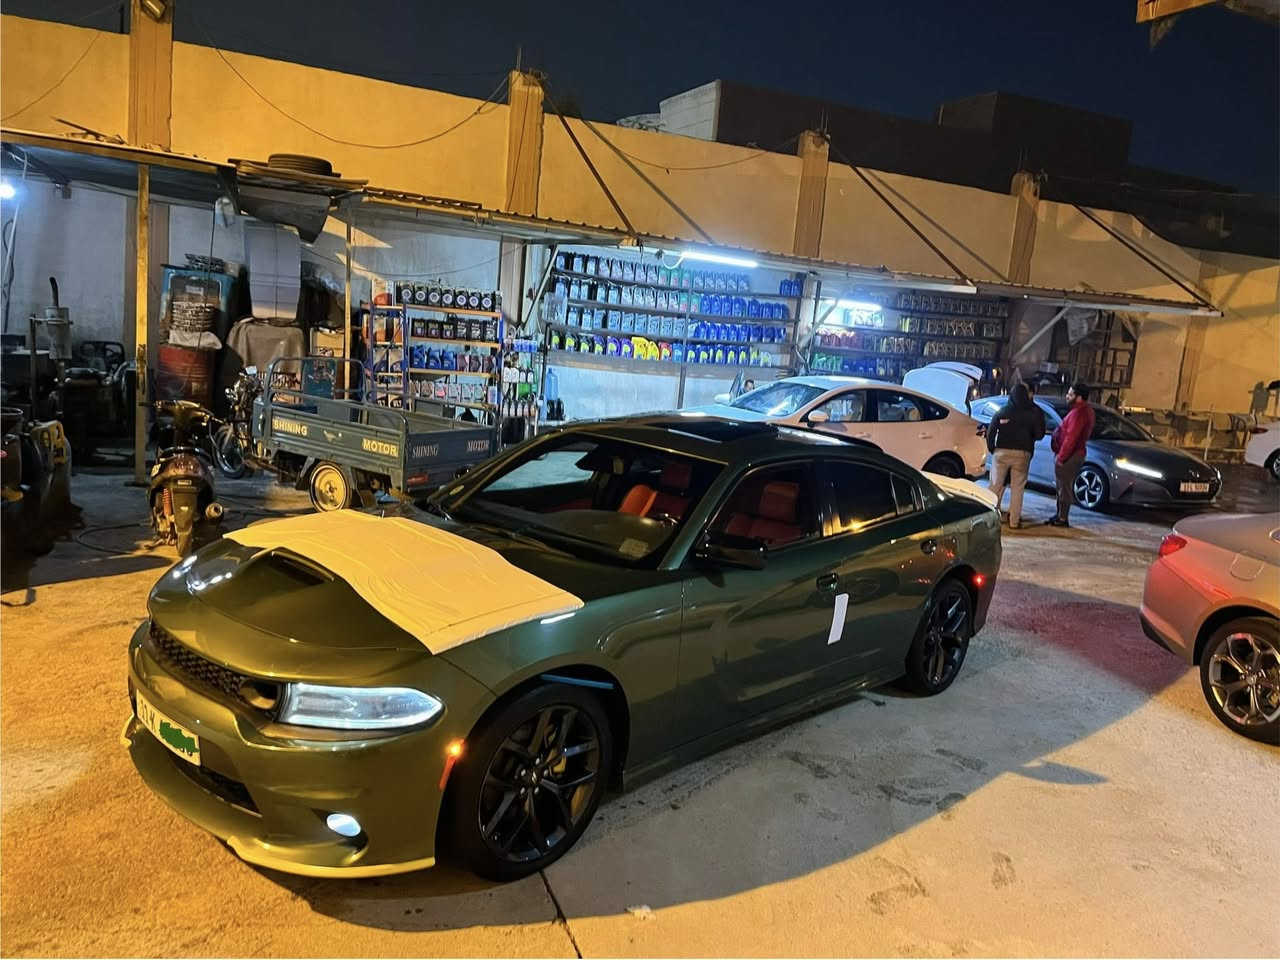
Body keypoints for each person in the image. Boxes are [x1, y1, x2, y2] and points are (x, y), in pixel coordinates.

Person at [985, 383, 1043, 529]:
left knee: (995, 485)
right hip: (1022, 454)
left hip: (1001, 453)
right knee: (1018, 488)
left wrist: (992, 449)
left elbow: (991, 431)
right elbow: (1039, 434)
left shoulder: (1003, 411)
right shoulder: (1032, 414)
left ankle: (988, 519)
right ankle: (1014, 522)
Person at [1050, 382, 1095, 527]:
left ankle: (1062, 518)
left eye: (1070, 394)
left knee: (1064, 487)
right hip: (1074, 454)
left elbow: (1071, 437)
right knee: (1063, 486)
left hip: (1071, 455)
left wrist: (1061, 457)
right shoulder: (1083, 411)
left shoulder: (1079, 413)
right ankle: (1059, 515)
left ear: (1079, 397)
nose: (1067, 396)